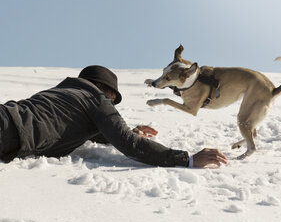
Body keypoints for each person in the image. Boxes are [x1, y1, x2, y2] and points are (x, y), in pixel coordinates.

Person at [0, 65, 227, 167]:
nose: (111, 104)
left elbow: (100, 132)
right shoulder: (95, 99)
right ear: (104, 89)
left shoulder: (60, 93)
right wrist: (187, 159)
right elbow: (129, 145)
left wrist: (129, 129)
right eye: (112, 98)